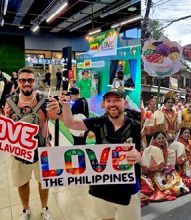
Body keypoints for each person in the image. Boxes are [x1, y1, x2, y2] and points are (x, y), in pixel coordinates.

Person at [58, 88, 142, 220]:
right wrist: (66, 106)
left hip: (128, 189)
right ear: (103, 104)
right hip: (102, 186)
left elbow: (149, 152)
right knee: (105, 217)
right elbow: (70, 123)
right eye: (108, 100)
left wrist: (139, 156)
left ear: (125, 103)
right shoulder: (98, 122)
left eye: (117, 100)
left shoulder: (137, 125)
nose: (112, 104)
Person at [4, 68, 60, 220]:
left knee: (44, 183)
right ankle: (25, 209)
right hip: (19, 152)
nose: (27, 83)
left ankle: (44, 208)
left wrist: (59, 108)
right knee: (22, 183)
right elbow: (6, 127)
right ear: (18, 82)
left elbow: (55, 117)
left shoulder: (44, 100)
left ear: (34, 81)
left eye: (30, 80)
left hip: (43, 151)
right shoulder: (10, 102)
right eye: (23, 80)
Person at [141, 131, 189, 202]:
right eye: (159, 138)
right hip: (155, 173)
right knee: (165, 181)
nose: (161, 140)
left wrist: (168, 168)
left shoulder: (165, 148)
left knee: (175, 178)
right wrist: (160, 169)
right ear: (154, 139)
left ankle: (177, 188)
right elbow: (150, 167)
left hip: (164, 170)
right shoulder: (152, 150)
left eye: (163, 138)